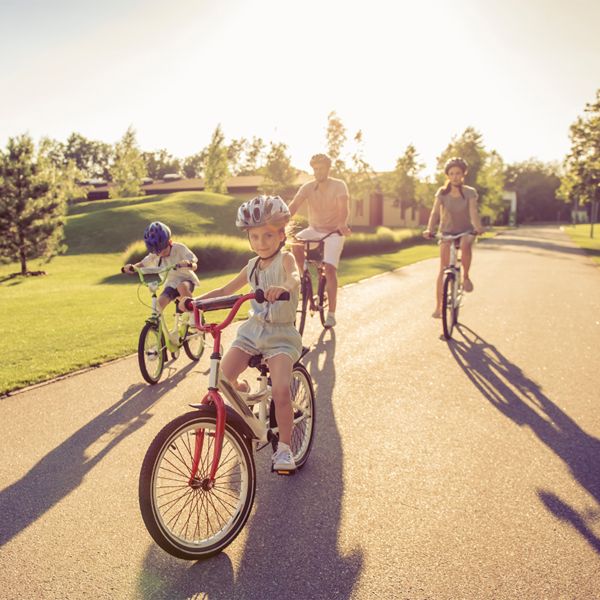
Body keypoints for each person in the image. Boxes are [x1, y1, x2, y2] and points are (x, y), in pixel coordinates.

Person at [190, 195, 302, 472]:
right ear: (248, 237)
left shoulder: (286, 259)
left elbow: (295, 277)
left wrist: (284, 287)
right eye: (255, 236)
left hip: (281, 336)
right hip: (252, 333)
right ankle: (246, 398)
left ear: (281, 234)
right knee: (223, 379)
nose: (261, 242)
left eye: (268, 235)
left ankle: (284, 449)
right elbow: (225, 290)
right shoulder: (251, 266)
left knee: (280, 390)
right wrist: (196, 302)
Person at [288, 153, 351, 328]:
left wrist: (342, 223)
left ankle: (331, 314)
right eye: (315, 169)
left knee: (329, 269)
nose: (317, 172)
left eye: (321, 168)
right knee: (295, 243)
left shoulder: (339, 186)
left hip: (333, 233)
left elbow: (343, 209)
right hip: (314, 230)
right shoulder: (308, 187)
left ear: (328, 169)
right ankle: (303, 275)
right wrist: (280, 222)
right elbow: (294, 205)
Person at [423, 157, 484, 318]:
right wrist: (429, 229)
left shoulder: (470, 192)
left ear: (463, 174)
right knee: (442, 269)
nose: (455, 176)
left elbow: (473, 212)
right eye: (451, 173)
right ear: (448, 176)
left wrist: (477, 227)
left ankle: (465, 277)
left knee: (465, 244)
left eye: (458, 173)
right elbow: (435, 212)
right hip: (447, 232)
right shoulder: (442, 193)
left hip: (465, 230)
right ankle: (438, 307)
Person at [123, 221, 200, 324]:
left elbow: (194, 264)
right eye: (157, 252)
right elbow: (142, 263)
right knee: (158, 305)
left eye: (163, 251)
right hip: (171, 284)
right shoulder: (155, 254)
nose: (160, 254)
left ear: (170, 242)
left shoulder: (179, 248)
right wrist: (132, 267)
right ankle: (156, 329)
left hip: (186, 280)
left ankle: (194, 314)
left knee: (181, 287)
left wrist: (188, 264)